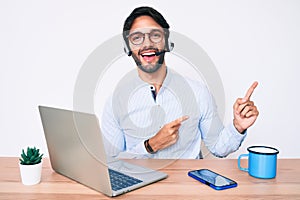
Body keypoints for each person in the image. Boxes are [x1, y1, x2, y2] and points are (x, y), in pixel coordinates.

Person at [101, 6, 259, 159]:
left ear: (167, 42)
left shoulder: (198, 92)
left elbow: (218, 148)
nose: (147, 44)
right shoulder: (115, 102)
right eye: (137, 38)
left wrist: (238, 127)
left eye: (155, 35)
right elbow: (112, 161)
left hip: (188, 183)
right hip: (140, 184)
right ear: (127, 47)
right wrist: (150, 145)